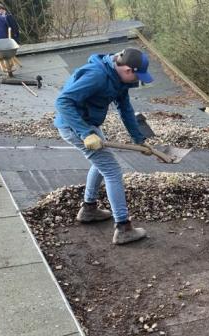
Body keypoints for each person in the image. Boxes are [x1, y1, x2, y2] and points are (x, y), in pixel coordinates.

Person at [54, 48, 154, 245]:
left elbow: (125, 108)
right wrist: (85, 133)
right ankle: (123, 228)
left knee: (101, 164)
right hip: (74, 125)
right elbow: (63, 102)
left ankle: (89, 209)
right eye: (137, 75)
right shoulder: (97, 76)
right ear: (126, 69)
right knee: (112, 170)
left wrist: (138, 138)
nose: (138, 81)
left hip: (89, 124)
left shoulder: (119, 78)